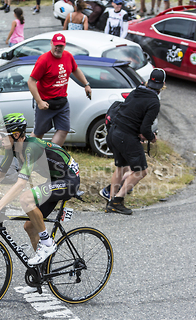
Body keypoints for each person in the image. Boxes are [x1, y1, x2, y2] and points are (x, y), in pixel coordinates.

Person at [0, 113, 80, 267]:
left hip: (69, 181)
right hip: (54, 180)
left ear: (16, 134)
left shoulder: (31, 148)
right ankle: (42, 271)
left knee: (26, 198)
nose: (0, 138)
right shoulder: (12, 148)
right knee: (30, 226)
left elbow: (20, 184)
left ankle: (47, 244)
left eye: (2, 135)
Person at [104, 68, 166, 215]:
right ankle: (117, 201)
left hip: (114, 132)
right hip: (126, 137)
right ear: (162, 84)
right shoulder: (153, 102)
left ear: (149, 81)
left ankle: (111, 201)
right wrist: (151, 137)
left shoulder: (136, 91)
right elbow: (145, 128)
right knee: (141, 171)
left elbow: (130, 114)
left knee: (121, 168)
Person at [27, 33, 92, 146]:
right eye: (56, 45)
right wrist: (39, 102)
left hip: (61, 101)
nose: (58, 48)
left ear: (64, 46)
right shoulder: (43, 60)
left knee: (64, 129)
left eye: (60, 46)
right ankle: (28, 155)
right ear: (51, 44)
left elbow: (75, 70)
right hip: (45, 102)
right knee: (39, 133)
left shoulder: (68, 56)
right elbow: (31, 81)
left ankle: (51, 155)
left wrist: (86, 84)